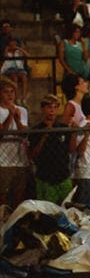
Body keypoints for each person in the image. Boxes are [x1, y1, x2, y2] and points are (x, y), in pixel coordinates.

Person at [28, 94, 75, 205]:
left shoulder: (62, 128)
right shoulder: (36, 130)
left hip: (63, 175)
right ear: (43, 109)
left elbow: (71, 149)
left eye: (55, 107)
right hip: (45, 177)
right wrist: (44, 135)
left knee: (66, 207)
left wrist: (74, 133)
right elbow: (34, 154)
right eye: (49, 107)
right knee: (47, 211)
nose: (52, 110)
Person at [0, 77, 30, 208]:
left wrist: (17, 119)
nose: (10, 95)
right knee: (3, 195)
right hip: (3, 160)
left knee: (19, 194)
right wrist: (10, 115)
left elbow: (24, 133)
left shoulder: (22, 110)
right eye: (6, 92)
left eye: (12, 91)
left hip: (20, 159)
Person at [0, 36, 30, 105]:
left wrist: (20, 49)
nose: (13, 46)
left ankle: (24, 98)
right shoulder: (7, 51)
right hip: (9, 69)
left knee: (24, 77)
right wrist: (7, 50)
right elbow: (4, 58)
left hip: (19, 69)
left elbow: (28, 56)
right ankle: (16, 97)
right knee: (14, 77)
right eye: (11, 44)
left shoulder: (18, 51)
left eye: (14, 44)